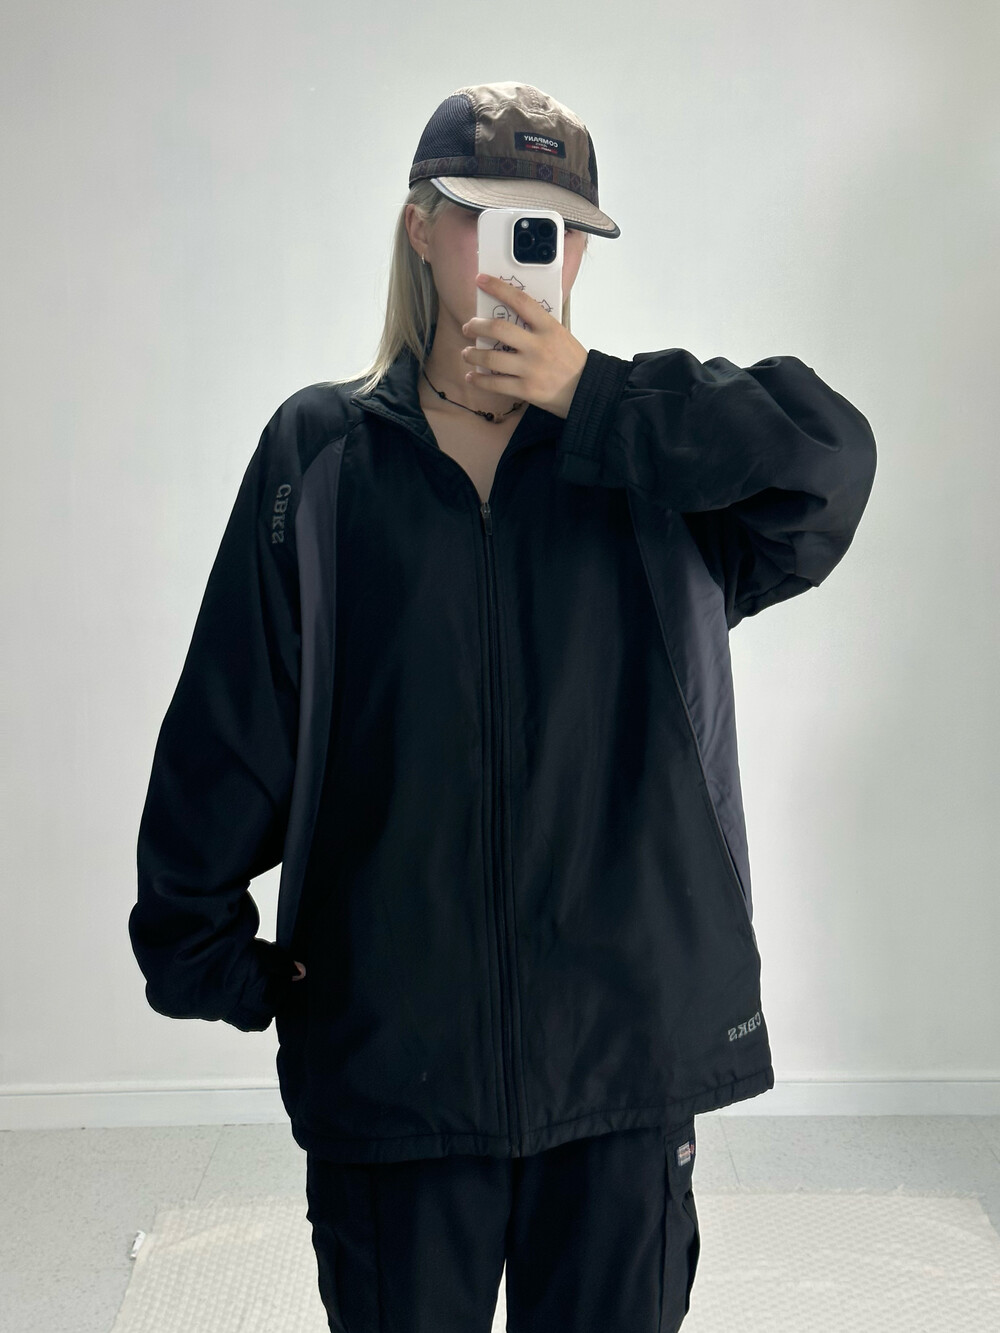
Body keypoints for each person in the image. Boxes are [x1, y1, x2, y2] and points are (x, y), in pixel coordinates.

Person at [129, 81, 878, 1331]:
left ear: (579, 252)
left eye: (558, 226)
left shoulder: (654, 462)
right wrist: (206, 953)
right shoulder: (320, 457)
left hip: (625, 1053)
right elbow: (233, 713)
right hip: (393, 1062)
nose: (531, 250)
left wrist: (599, 399)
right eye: (488, 214)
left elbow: (830, 466)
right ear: (421, 226)